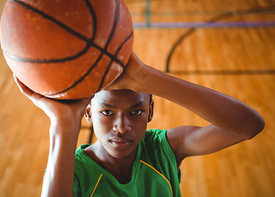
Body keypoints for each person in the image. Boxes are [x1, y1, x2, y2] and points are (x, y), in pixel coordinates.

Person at [14, 51, 265, 197]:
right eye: (107, 112)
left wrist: (146, 77)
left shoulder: (165, 150)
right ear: (88, 112)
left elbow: (249, 125)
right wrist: (63, 122)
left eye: (135, 111)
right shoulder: (72, 172)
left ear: (150, 111)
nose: (121, 127)